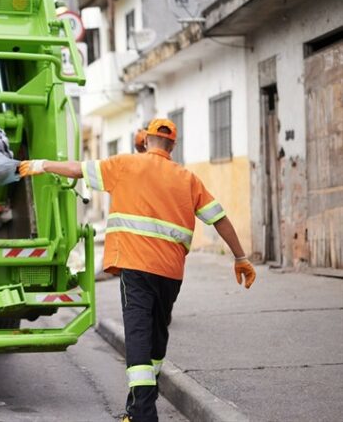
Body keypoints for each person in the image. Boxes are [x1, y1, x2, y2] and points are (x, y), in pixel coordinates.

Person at [19, 118, 256, 422]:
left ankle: (144, 415)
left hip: (136, 266)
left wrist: (41, 164)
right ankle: (138, 407)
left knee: (139, 336)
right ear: (172, 145)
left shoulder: (125, 164)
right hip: (171, 272)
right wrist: (240, 257)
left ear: (145, 141)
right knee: (157, 335)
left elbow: (78, 169)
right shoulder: (188, 178)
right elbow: (218, 217)